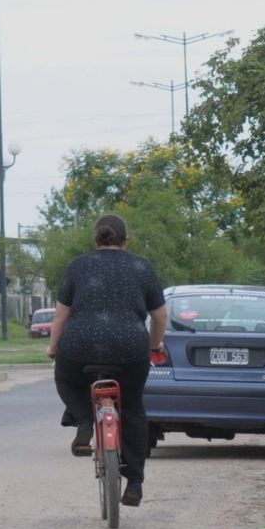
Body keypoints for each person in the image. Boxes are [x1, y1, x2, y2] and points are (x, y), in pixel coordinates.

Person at [47, 214, 167, 507]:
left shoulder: (79, 266)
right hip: (131, 347)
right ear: (126, 240)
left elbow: (61, 315)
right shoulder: (142, 266)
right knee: (133, 407)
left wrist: (53, 347)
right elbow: (160, 316)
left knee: (66, 378)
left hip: (80, 345)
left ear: (95, 239)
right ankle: (135, 481)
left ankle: (86, 421)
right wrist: (153, 345)